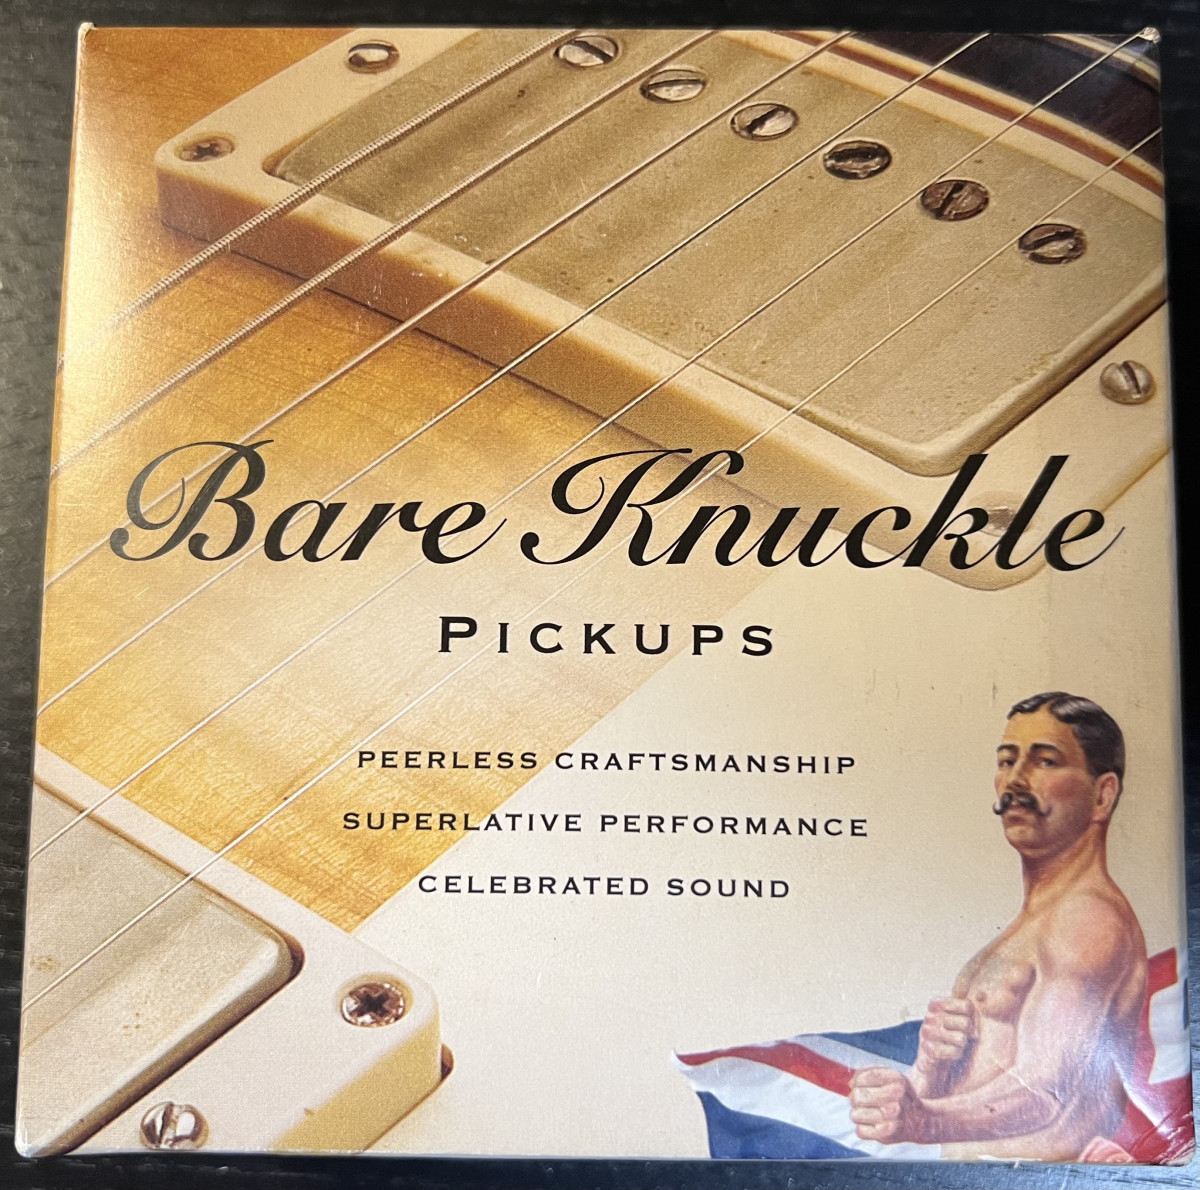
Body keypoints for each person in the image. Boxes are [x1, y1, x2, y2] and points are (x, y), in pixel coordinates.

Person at [848, 692, 1147, 1160]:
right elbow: (961, 1098)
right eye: (1007, 761)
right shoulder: (1033, 924)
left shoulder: (1086, 918)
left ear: (1103, 794)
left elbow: (1044, 1093)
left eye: (1045, 761)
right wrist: (932, 1068)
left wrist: (921, 1119)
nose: (1015, 780)